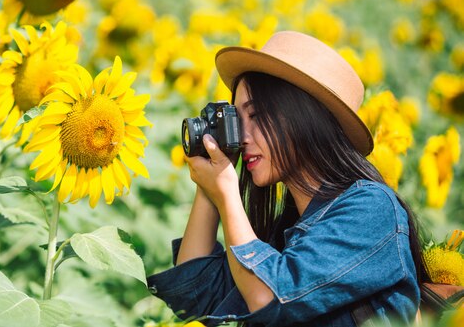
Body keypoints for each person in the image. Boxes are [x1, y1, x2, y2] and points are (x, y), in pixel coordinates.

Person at [147, 31, 428, 326]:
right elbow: (194, 298)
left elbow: (271, 296)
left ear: (304, 117)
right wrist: (209, 185)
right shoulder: (281, 237)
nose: (242, 138)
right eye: (237, 122)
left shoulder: (371, 208)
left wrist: (227, 192)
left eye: (255, 116)